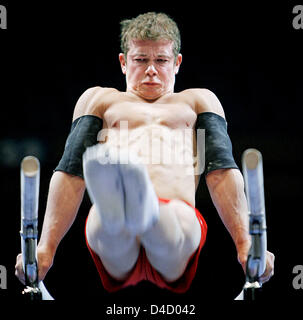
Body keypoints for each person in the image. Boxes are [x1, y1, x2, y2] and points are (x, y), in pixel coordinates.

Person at [15, 12, 274, 294]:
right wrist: (45, 249)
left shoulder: (198, 100)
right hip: (118, 231)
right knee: (104, 222)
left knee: (165, 220)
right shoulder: (99, 99)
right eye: (141, 60)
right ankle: (125, 205)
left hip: (176, 219)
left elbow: (221, 172)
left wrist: (246, 242)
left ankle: (139, 204)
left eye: (161, 60)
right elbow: (70, 175)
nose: (151, 69)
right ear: (124, 62)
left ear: (177, 63)